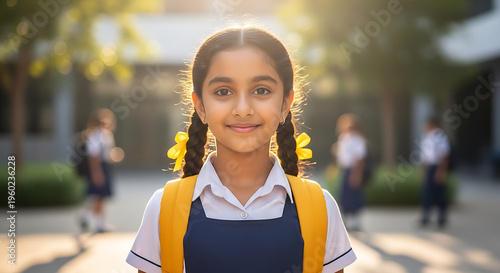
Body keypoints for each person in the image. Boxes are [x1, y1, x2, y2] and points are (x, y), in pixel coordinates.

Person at [126, 26, 356, 273]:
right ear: (200, 106)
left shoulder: (320, 207)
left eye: (261, 90)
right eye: (223, 91)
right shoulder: (164, 209)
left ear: (285, 105)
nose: (243, 108)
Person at [79, 108, 118, 233]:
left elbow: (108, 155)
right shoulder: (95, 136)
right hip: (99, 168)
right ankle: (87, 218)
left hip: (105, 166)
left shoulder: (106, 136)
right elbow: (93, 157)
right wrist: (97, 173)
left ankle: (97, 223)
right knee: (99, 196)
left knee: (101, 197)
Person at [332, 114, 367, 231]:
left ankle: (355, 222)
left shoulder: (358, 140)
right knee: (344, 196)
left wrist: (356, 174)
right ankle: (347, 221)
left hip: (353, 169)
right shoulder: (343, 139)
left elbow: (360, 158)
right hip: (345, 169)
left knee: (354, 196)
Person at [419, 117, 450, 228]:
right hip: (428, 167)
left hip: (437, 167)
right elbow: (424, 156)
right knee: (427, 193)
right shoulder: (426, 137)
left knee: (439, 194)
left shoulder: (440, 137)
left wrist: (441, 171)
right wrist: (422, 170)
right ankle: (426, 216)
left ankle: (442, 217)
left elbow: (444, 155)